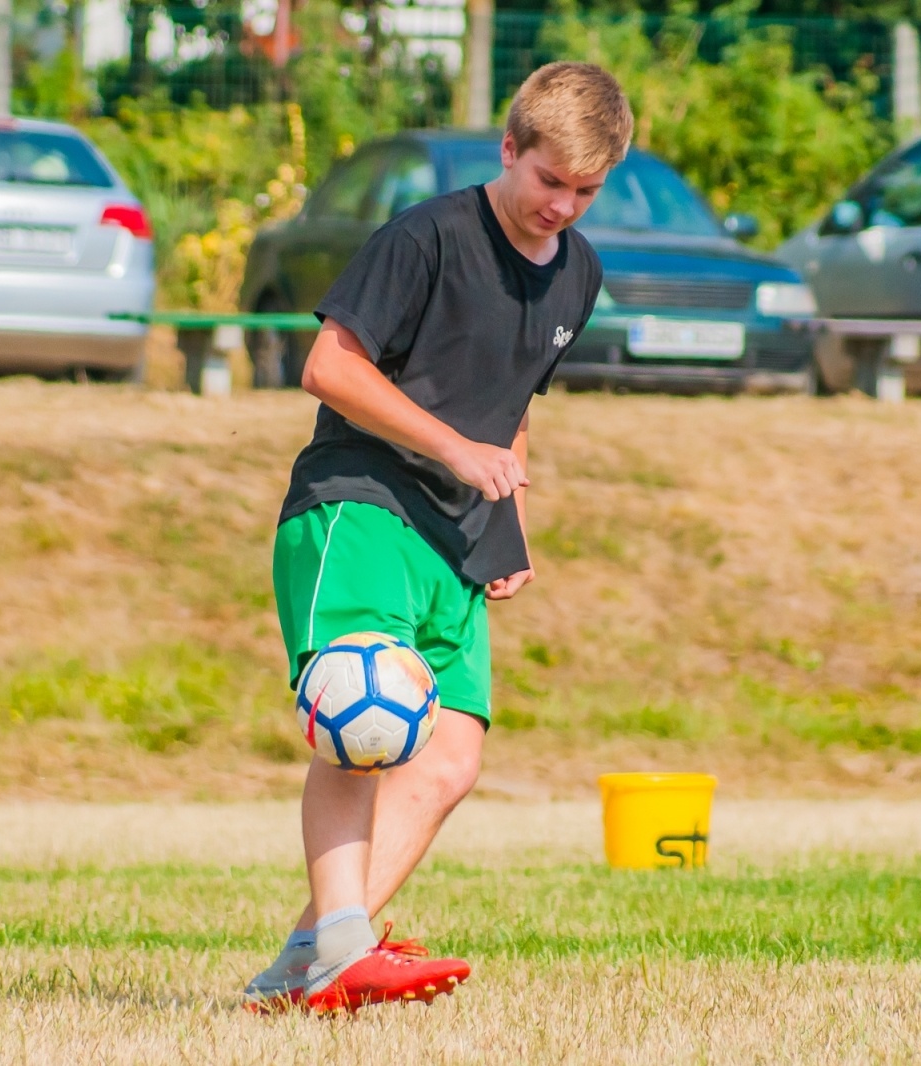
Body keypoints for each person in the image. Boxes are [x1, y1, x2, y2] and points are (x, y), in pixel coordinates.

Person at [241, 62, 632, 1013]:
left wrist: (511, 523)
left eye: (585, 191)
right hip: (362, 506)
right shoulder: (425, 238)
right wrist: (454, 449)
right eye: (549, 180)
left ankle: (307, 964)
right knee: (364, 719)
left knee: (451, 760)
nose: (562, 206)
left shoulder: (579, 273)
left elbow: (513, 404)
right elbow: (330, 369)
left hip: (459, 536)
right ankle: (342, 949)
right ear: (509, 149)